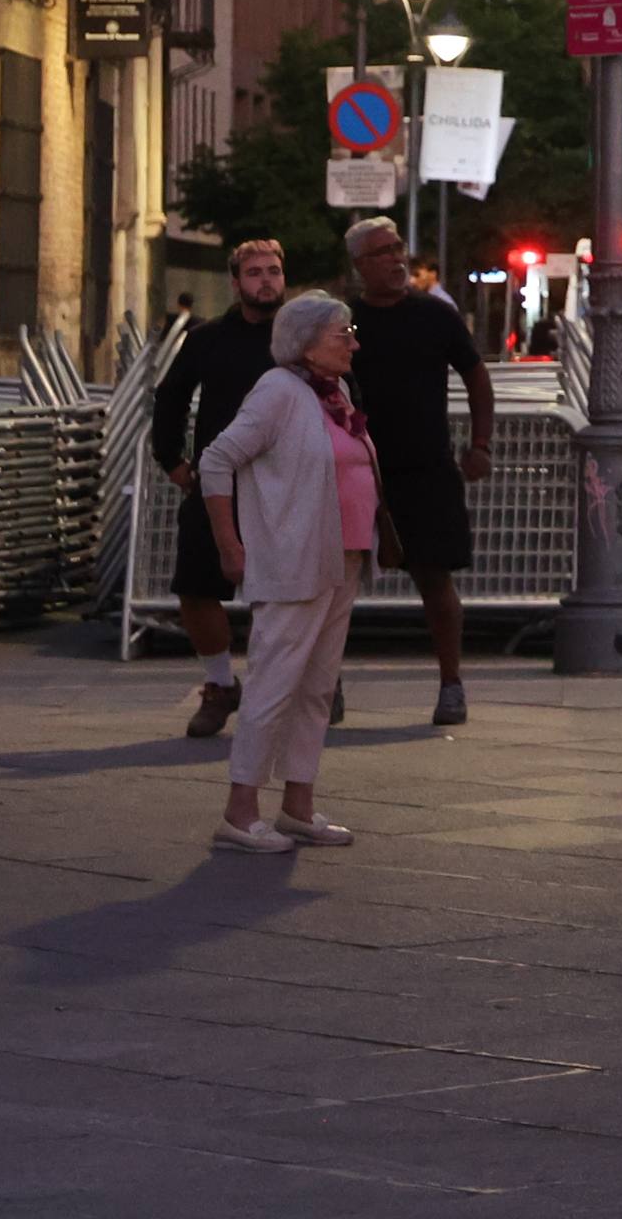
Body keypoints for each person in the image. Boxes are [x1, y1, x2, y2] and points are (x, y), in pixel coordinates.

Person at [199, 293, 376, 854]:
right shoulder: (279, 390)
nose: (353, 342)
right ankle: (239, 809)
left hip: (339, 558)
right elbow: (216, 459)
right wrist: (230, 543)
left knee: (317, 686)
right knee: (275, 683)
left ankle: (298, 805)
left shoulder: (334, 392)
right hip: (293, 559)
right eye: (341, 333)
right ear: (304, 342)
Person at [343, 216, 493, 726]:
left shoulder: (435, 316)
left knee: (435, 578)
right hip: (358, 469)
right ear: (361, 265)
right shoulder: (346, 322)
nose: (396, 258)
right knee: (337, 581)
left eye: (399, 247)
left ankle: (452, 683)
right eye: (382, 252)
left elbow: (476, 375)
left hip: (426, 466)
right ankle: (328, 684)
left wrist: (480, 444)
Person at [151, 239, 289, 739]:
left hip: (286, 486)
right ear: (236, 282)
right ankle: (219, 684)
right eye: (254, 272)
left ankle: (305, 683)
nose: (265, 280)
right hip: (218, 483)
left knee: (287, 594)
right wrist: (172, 461)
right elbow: (170, 397)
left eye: (273, 271)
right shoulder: (209, 338)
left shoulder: (299, 338)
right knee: (195, 587)